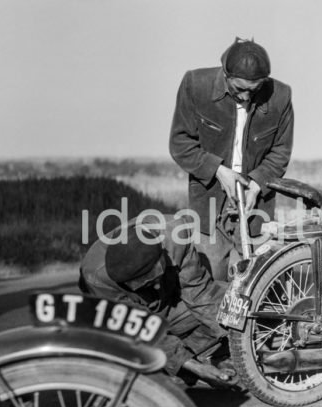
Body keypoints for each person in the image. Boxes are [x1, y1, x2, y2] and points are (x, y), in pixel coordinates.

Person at [169, 37, 294, 280]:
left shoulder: (281, 96)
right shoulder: (195, 85)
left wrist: (257, 184)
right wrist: (219, 171)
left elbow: (280, 151)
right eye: (239, 89)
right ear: (225, 75)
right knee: (210, 278)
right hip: (208, 200)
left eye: (254, 90)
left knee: (261, 280)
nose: (247, 97)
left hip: (256, 203)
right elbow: (180, 143)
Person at [79, 216, 237, 388]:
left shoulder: (176, 237)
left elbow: (200, 295)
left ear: (162, 255)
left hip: (172, 298)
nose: (153, 287)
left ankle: (217, 351)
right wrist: (196, 368)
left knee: (231, 301)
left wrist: (236, 339)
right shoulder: (97, 278)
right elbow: (140, 327)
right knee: (124, 355)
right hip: (126, 318)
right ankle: (178, 371)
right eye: (142, 284)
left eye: (152, 279)